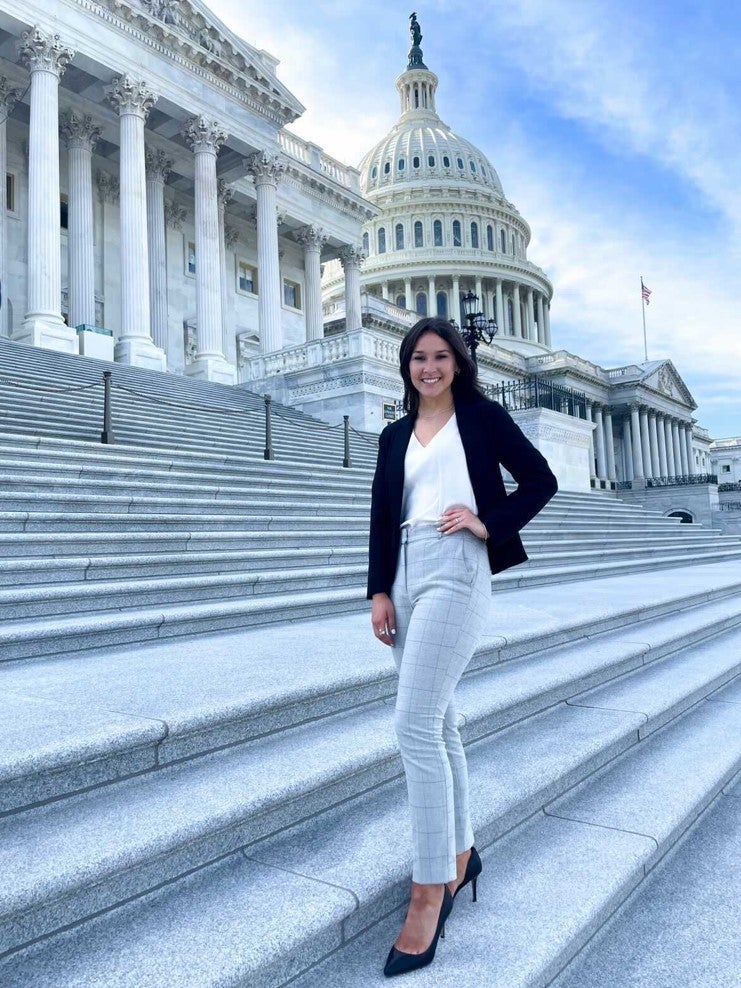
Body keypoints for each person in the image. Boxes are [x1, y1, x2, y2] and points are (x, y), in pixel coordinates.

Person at [367, 317, 558, 977]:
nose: (429, 368)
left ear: (457, 363)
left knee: (413, 724)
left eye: (440, 357)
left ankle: (428, 892)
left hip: (457, 564)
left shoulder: (479, 418)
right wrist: (378, 591)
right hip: (403, 573)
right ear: (406, 366)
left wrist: (486, 521)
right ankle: (459, 853)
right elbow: (379, 514)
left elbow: (539, 479)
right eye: (418, 358)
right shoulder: (393, 435)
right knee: (440, 722)